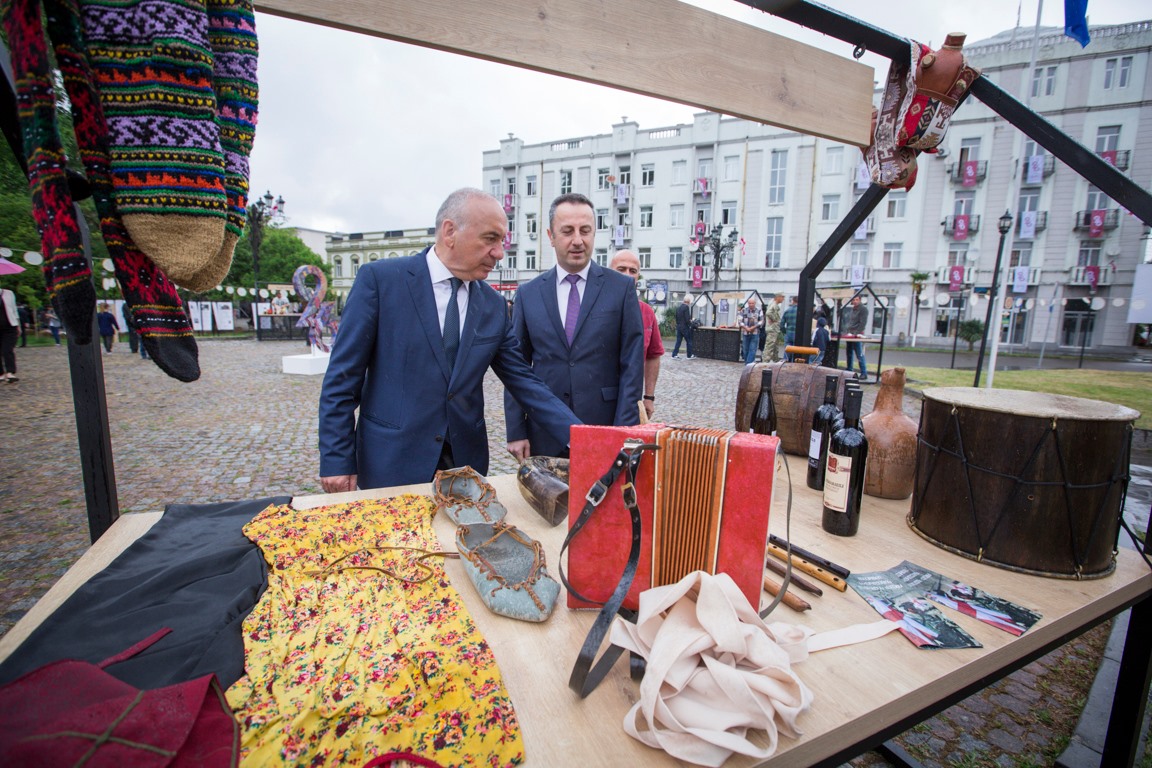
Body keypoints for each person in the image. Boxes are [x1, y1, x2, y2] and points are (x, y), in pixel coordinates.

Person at [318, 188, 579, 492]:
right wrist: (337, 459)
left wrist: (583, 437)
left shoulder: (493, 305)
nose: (499, 253)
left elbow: (524, 381)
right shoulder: (381, 282)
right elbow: (342, 378)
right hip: (391, 462)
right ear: (450, 232)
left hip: (464, 465)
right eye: (490, 239)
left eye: (501, 242)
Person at [504, 194, 644, 460]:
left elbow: (632, 366)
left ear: (594, 233)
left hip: (603, 427)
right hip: (544, 431)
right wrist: (516, 430)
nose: (578, 240)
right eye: (568, 231)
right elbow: (515, 368)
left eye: (585, 230)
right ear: (551, 236)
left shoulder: (621, 289)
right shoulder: (528, 294)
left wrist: (624, 432)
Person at [610, 250, 664, 420]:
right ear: (610, 272)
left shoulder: (646, 312)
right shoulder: (593, 307)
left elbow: (653, 355)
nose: (627, 275)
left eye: (632, 271)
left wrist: (649, 397)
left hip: (631, 399)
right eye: (621, 269)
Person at [842, 295, 869, 380]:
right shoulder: (853, 309)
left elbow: (863, 323)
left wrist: (856, 333)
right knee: (849, 352)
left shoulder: (863, 309)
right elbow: (851, 322)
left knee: (859, 353)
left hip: (857, 335)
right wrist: (848, 331)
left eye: (857, 300)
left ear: (860, 300)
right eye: (854, 300)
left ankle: (863, 372)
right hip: (850, 333)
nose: (855, 301)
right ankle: (849, 369)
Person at [0, 285, 19, 382]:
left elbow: (14, 309)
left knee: (7, 349)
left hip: (10, 326)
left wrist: (18, 324)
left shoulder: (9, 293)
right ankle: (1, 373)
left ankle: (10, 372)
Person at [738, 296, 763, 365]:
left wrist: (754, 327)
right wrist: (746, 328)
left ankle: (749, 364)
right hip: (745, 332)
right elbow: (740, 321)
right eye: (750, 303)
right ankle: (747, 362)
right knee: (745, 349)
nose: (751, 305)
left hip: (755, 332)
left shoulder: (759, 310)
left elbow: (761, 321)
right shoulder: (743, 310)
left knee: (752, 349)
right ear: (748, 303)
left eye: (752, 303)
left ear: (755, 303)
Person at [672, 294, 695, 359]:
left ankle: (674, 354)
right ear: (689, 302)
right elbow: (687, 319)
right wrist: (691, 321)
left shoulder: (678, 308)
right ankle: (689, 355)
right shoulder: (686, 307)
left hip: (679, 327)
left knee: (678, 341)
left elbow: (676, 317)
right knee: (689, 341)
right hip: (685, 327)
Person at [763, 293, 784, 362]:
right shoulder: (774, 304)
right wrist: (775, 319)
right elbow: (768, 313)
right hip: (772, 329)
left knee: (775, 347)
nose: (783, 299)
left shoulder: (773, 304)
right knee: (769, 347)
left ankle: (775, 361)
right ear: (778, 297)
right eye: (782, 297)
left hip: (774, 329)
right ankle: (765, 362)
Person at [780, 296, 797, 362]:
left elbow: (781, 324)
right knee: (795, 351)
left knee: (787, 350)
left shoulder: (787, 310)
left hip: (788, 332)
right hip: (797, 333)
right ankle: (793, 363)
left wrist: (785, 331)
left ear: (793, 301)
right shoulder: (801, 311)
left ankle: (785, 362)